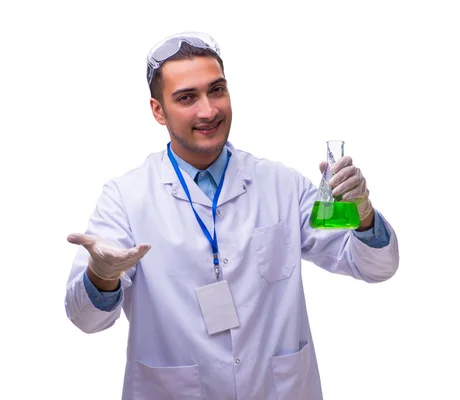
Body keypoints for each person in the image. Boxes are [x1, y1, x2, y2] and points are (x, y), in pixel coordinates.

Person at [64, 31, 399, 400]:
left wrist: (364, 217)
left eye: (217, 90)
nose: (208, 110)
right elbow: (87, 320)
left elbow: (374, 267)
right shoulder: (126, 198)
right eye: (187, 97)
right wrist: (102, 276)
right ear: (158, 110)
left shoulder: (281, 185)